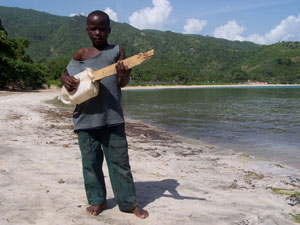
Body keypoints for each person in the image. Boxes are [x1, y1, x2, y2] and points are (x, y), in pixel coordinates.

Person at [60, 10, 148, 219]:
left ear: (109, 29)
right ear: (87, 30)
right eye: (93, 28)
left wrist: (124, 75)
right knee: (90, 164)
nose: (98, 32)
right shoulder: (81, 54)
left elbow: (121, 83)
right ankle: (97, 201)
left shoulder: (117, 51)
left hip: (112, 118)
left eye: (102, 28)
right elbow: (66, 74)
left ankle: (128, 203)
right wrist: (64, 79)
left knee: (120, 163)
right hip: (85, 118)